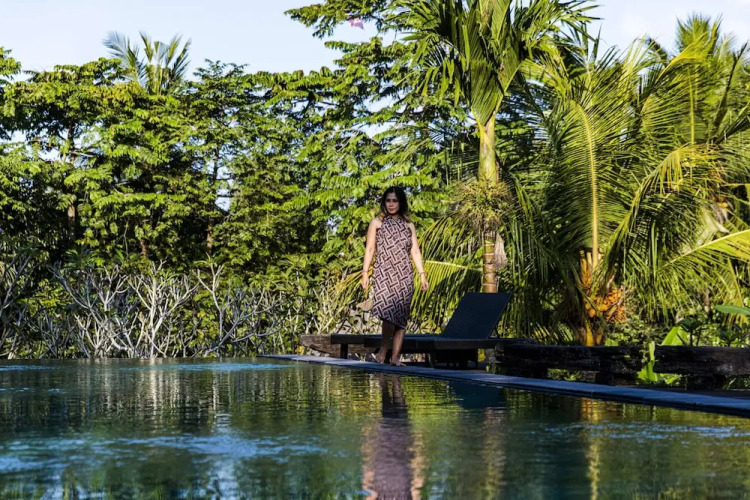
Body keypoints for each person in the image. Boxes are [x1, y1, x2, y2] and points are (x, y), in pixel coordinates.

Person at [361, 187, 429, 366]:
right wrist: (365, 272)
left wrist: (422, 274)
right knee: (388, 313)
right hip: (383, 273)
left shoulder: (409, 225)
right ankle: (384, 349)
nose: (391, 204)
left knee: (401, 317)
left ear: (401, 203)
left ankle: (395, 358)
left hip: (404, 274)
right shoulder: (377, 223)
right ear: (384, 202)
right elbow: (370, 248)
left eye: (395, 201)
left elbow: (415, 251)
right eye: (388, 200)